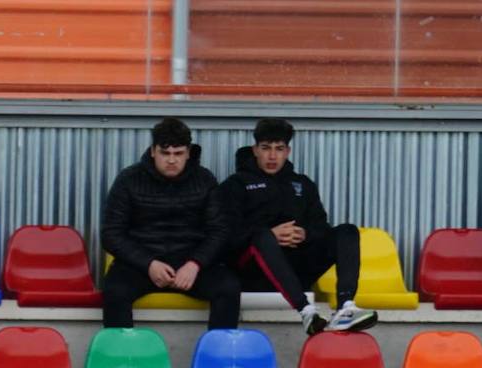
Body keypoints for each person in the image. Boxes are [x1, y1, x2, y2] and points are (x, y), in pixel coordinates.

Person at [218, 117, 376, 336]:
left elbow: (321, 227)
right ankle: (305, 310)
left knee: (347, 231)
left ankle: (346, 307)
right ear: (255, 150)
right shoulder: (235, 185)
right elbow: (226, 236)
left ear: (288, 151)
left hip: (297, 267)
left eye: (279, 149)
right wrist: (269, 235)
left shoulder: (302, 184)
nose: (272, 156)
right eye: (266, 148)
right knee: (263, 238)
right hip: (254, 273)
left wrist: (306, 234)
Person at [101, 117, 240, 331]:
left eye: (178, 153)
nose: (172, 160)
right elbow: (111, 233)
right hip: (140, 265)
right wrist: (149, 263)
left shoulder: (204, 180)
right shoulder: (128, 180)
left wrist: (195, 264)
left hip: (191, 266)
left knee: (229, 288)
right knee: (115, 291)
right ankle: (121, 360)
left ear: (188, 153)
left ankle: (217, 360)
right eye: (165, 153)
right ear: (153, 152)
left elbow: (220, 231)